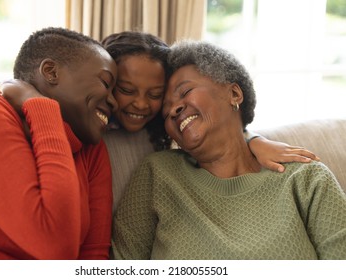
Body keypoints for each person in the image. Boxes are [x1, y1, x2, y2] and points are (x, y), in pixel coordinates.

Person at [111, 40, 346, 259]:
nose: (174, 110)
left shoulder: (306, 178)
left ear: (234, 93)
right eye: (166, 111)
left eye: (185, 92)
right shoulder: (158, 173)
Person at [100, 31, 319, 214]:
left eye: (156, 95)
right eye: (126, 90)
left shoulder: (163, 122)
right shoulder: (92, 115)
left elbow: (216, 128)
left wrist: (253, 141)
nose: (140, 104)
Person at [0, 27, 117, 259]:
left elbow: (93, 258)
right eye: (105, 82)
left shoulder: (92, 150)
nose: (114, 102)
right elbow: (53, 246)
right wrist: (40, 107)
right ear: (51, 72)